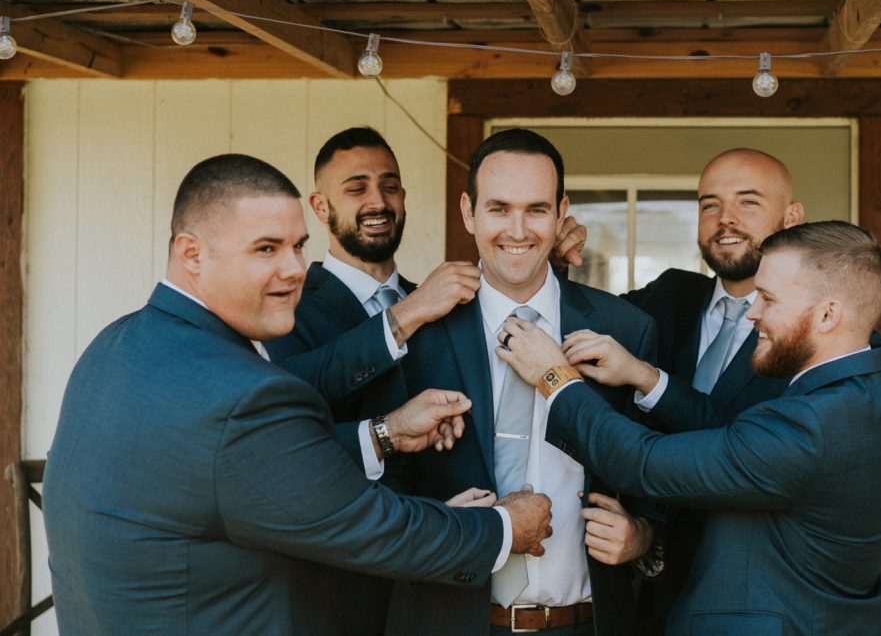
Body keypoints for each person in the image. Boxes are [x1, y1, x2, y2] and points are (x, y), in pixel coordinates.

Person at [42, 153, 553, 635]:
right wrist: (503, 526)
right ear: (191, 253)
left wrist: (385, 434)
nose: (292, 270)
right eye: (266, 249)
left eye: (298, 246)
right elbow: (374, 530)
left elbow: (240, 470)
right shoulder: (246, 395)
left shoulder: (116, 343)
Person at [499, 220, 881, 636]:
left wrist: (554, 378)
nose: (752, 312)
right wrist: (645, 376)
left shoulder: (811, 429)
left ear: (829, 314)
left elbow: (641, 462)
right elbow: (737, 438)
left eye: (768, 299)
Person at [385, 129, 659, 635]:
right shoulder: (418, 331)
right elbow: (383, 483)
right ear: (469, 212)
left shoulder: (624, 329)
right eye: (498, 209)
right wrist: (441, 524)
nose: (517, 229)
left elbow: (657, 473)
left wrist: (642, 534)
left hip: (587, 620)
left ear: (561, 213)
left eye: (536, 209)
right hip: (449, 619)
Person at [556, 148, 805, 623]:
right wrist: (554, 263)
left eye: (747, 202)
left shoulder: (806, 331)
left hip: (752, 604)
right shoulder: (670, 295)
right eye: (709, 203)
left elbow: (743, 451)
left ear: (791, 216)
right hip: (646, 601)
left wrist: (647, 377)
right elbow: (580, 324)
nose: (724, 219)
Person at [264, 127, 482, 633]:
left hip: (441, 584)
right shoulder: (286, 307)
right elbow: (288, 407)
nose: (377, 201)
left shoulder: (443, 305)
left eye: (390, 185)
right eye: (357, 187)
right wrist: (407, 314)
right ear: (320, 207)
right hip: (336, 593)